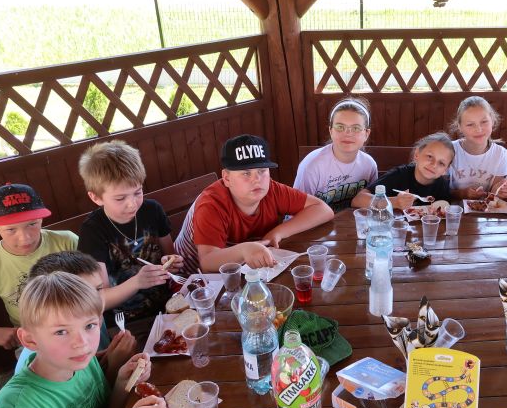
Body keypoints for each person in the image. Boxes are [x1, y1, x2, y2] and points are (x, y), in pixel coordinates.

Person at [0, 272, 167, 408]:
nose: (82, 342)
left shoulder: (80, 360)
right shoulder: (16, 407)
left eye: (89, 326)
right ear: (30, 340)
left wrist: (122, 382)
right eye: (61, 331)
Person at [174, 134, 334, 273]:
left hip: (245, 269)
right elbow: (207, 262)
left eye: (262, 171)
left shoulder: (272, 189)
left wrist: (279, 232)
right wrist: (244, 250)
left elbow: (323, 210)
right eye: (246, 173)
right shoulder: (211, 204)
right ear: (227, 178)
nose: (257, 179)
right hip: (192, 278)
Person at [0, 183, 77, 349]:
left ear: (41, 218)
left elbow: (97, 285)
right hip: (34, 341)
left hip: (80, 324)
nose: (25, 238)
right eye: (11, 229)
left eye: (32, 224)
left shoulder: (67, 241)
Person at [77, 141, 183, 332]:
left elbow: (171, 256)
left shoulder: (152, 210)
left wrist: (172, 262)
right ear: (96, 197)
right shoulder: (92, 231)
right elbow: (99, 299)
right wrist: (137, 282)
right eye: (120, 198)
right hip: (125, 325)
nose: (132, 204)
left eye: (138, 192)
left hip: (170, 307)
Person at [14, 250, 138, 377]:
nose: (95, 300)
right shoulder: (44, 351)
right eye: (84, 294)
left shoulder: (89, 317)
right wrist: (115, 366)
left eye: (98, 289)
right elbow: (93, 390)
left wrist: (107, 356)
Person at [293, 96, 378, 211]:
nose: (347, 133)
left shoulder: (369, 165)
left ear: (366, 134)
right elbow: (298, 210)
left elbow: (371, 206)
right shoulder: (312, 166)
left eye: (356, 128)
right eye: (340, 127)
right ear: (331, 131)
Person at [351, 132, 455, 211]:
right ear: (417, 154)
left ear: (445, 170)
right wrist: (394, 202)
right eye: (429, 156)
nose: (434, 165)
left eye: (441, 163)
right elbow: (358, 200)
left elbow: (444, 211)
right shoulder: (399, 175)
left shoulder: (442, 185)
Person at [447, 96, 507, 200]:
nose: (478, 129)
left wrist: (499, 191)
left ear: (492, 121)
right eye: (470, 124)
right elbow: (440, 191)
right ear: (459, 126)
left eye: (484, 122)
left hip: (486, 209)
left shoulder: (500, 154)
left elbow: (495, 194)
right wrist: (462, 193)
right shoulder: (448, 150)